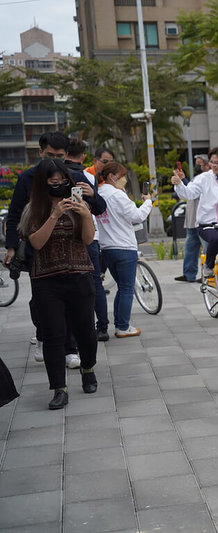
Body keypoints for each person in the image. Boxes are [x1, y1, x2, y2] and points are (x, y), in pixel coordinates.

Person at [3, 132, 107, 367]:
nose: (54, 159)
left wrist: (92, 196)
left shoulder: (75, 177)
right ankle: (44, 335)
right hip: (40, 252)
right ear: (40, 153)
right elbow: (15, 215)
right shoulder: (28, 179)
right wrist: (11, 247)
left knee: (75, 302)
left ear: (66, 155)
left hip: (76, 249)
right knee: (42, 302)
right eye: (49, 155)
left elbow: (99, 209)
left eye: (59, 155)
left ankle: (71, 349)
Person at [18, 159, 98, 409]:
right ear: (43, 185)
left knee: (86, 330)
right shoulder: (34, 209)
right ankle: (59, 389)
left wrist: (85, 214)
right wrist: (55, 215)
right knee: (54, 335)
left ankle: (87, 369)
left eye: (63, 182)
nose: (59, 186)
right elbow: (37, 243)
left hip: (79, 275)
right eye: (53, 183)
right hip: (46, 280)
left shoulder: (78, 205)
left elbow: (87, 239)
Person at [95, 162, 152, 338]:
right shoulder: (117, 195)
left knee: (122, 287)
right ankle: (122, 326)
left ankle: (121, 324)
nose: (125, 179)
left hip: (107, 248)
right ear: (112, 176)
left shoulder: (99, 193)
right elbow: (137, 216)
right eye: (122, 176)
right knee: (127, 288)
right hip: (124, 247)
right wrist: (148, 202)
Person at [64, 138, 110, 342]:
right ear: (83, 156)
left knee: (65, 283)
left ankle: (70, 331)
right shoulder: (88, 177)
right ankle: (102, 327)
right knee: (95, 283)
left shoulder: (51, 175)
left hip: (63, 234)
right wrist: (92, 196)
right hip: (89, 234)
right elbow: (100, 209)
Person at [172, 147, 218, 278]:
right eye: (211, 162)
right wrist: (179, 185)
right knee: (215, 240)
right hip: (206, 223)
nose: (213, 166)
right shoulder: (203, 178)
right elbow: (189, 193)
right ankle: (208, 266)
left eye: (217, 163)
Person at [175, 154, 211, 283]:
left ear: (207, 165)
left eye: (199, 163)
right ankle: (189, 274)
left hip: (202, 220)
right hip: (192, 219)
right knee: (190, 248)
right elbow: (189, 191)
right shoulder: (198, 178)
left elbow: (193, 192)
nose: (197, 166)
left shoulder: (209, 179)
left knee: (207, 248)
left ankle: (208, 275)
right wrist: (183, 180)